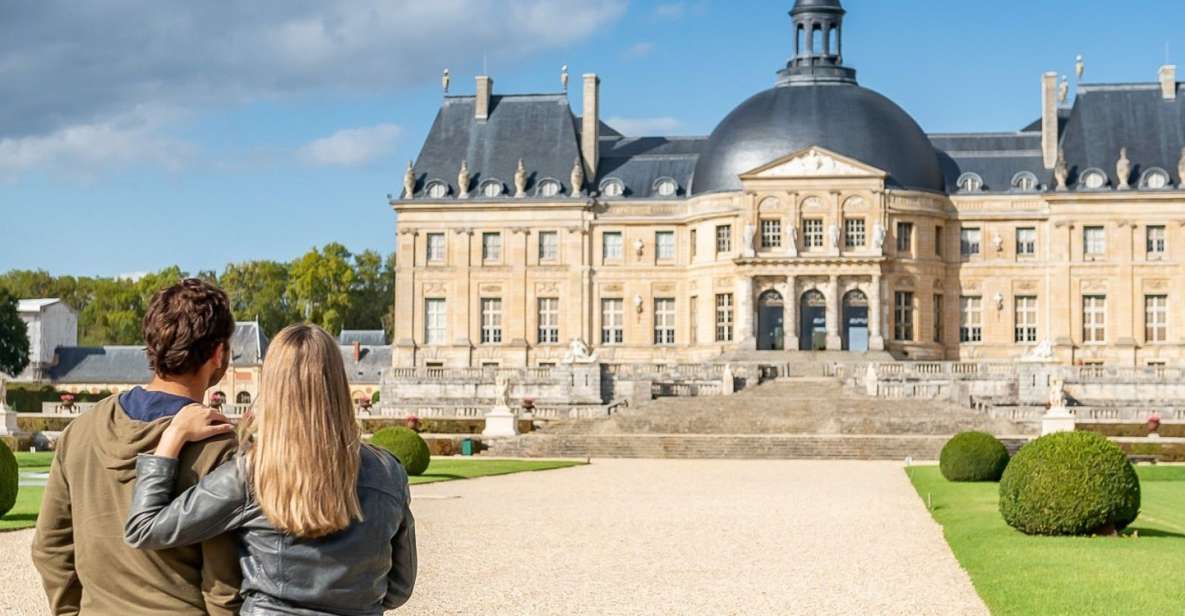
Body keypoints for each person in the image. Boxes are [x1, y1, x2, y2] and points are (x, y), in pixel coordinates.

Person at [123, 323, 417, 615]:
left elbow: (143, 529)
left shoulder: (252, 474)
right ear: (339, 383)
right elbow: (400, 588)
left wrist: (172, 438)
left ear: (273, 389)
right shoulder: (388, 472)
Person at [32, 278, 243, 615]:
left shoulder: (81, 430)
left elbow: (50, 548)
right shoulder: (217, 447)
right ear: (218, 353)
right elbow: (223, 585)